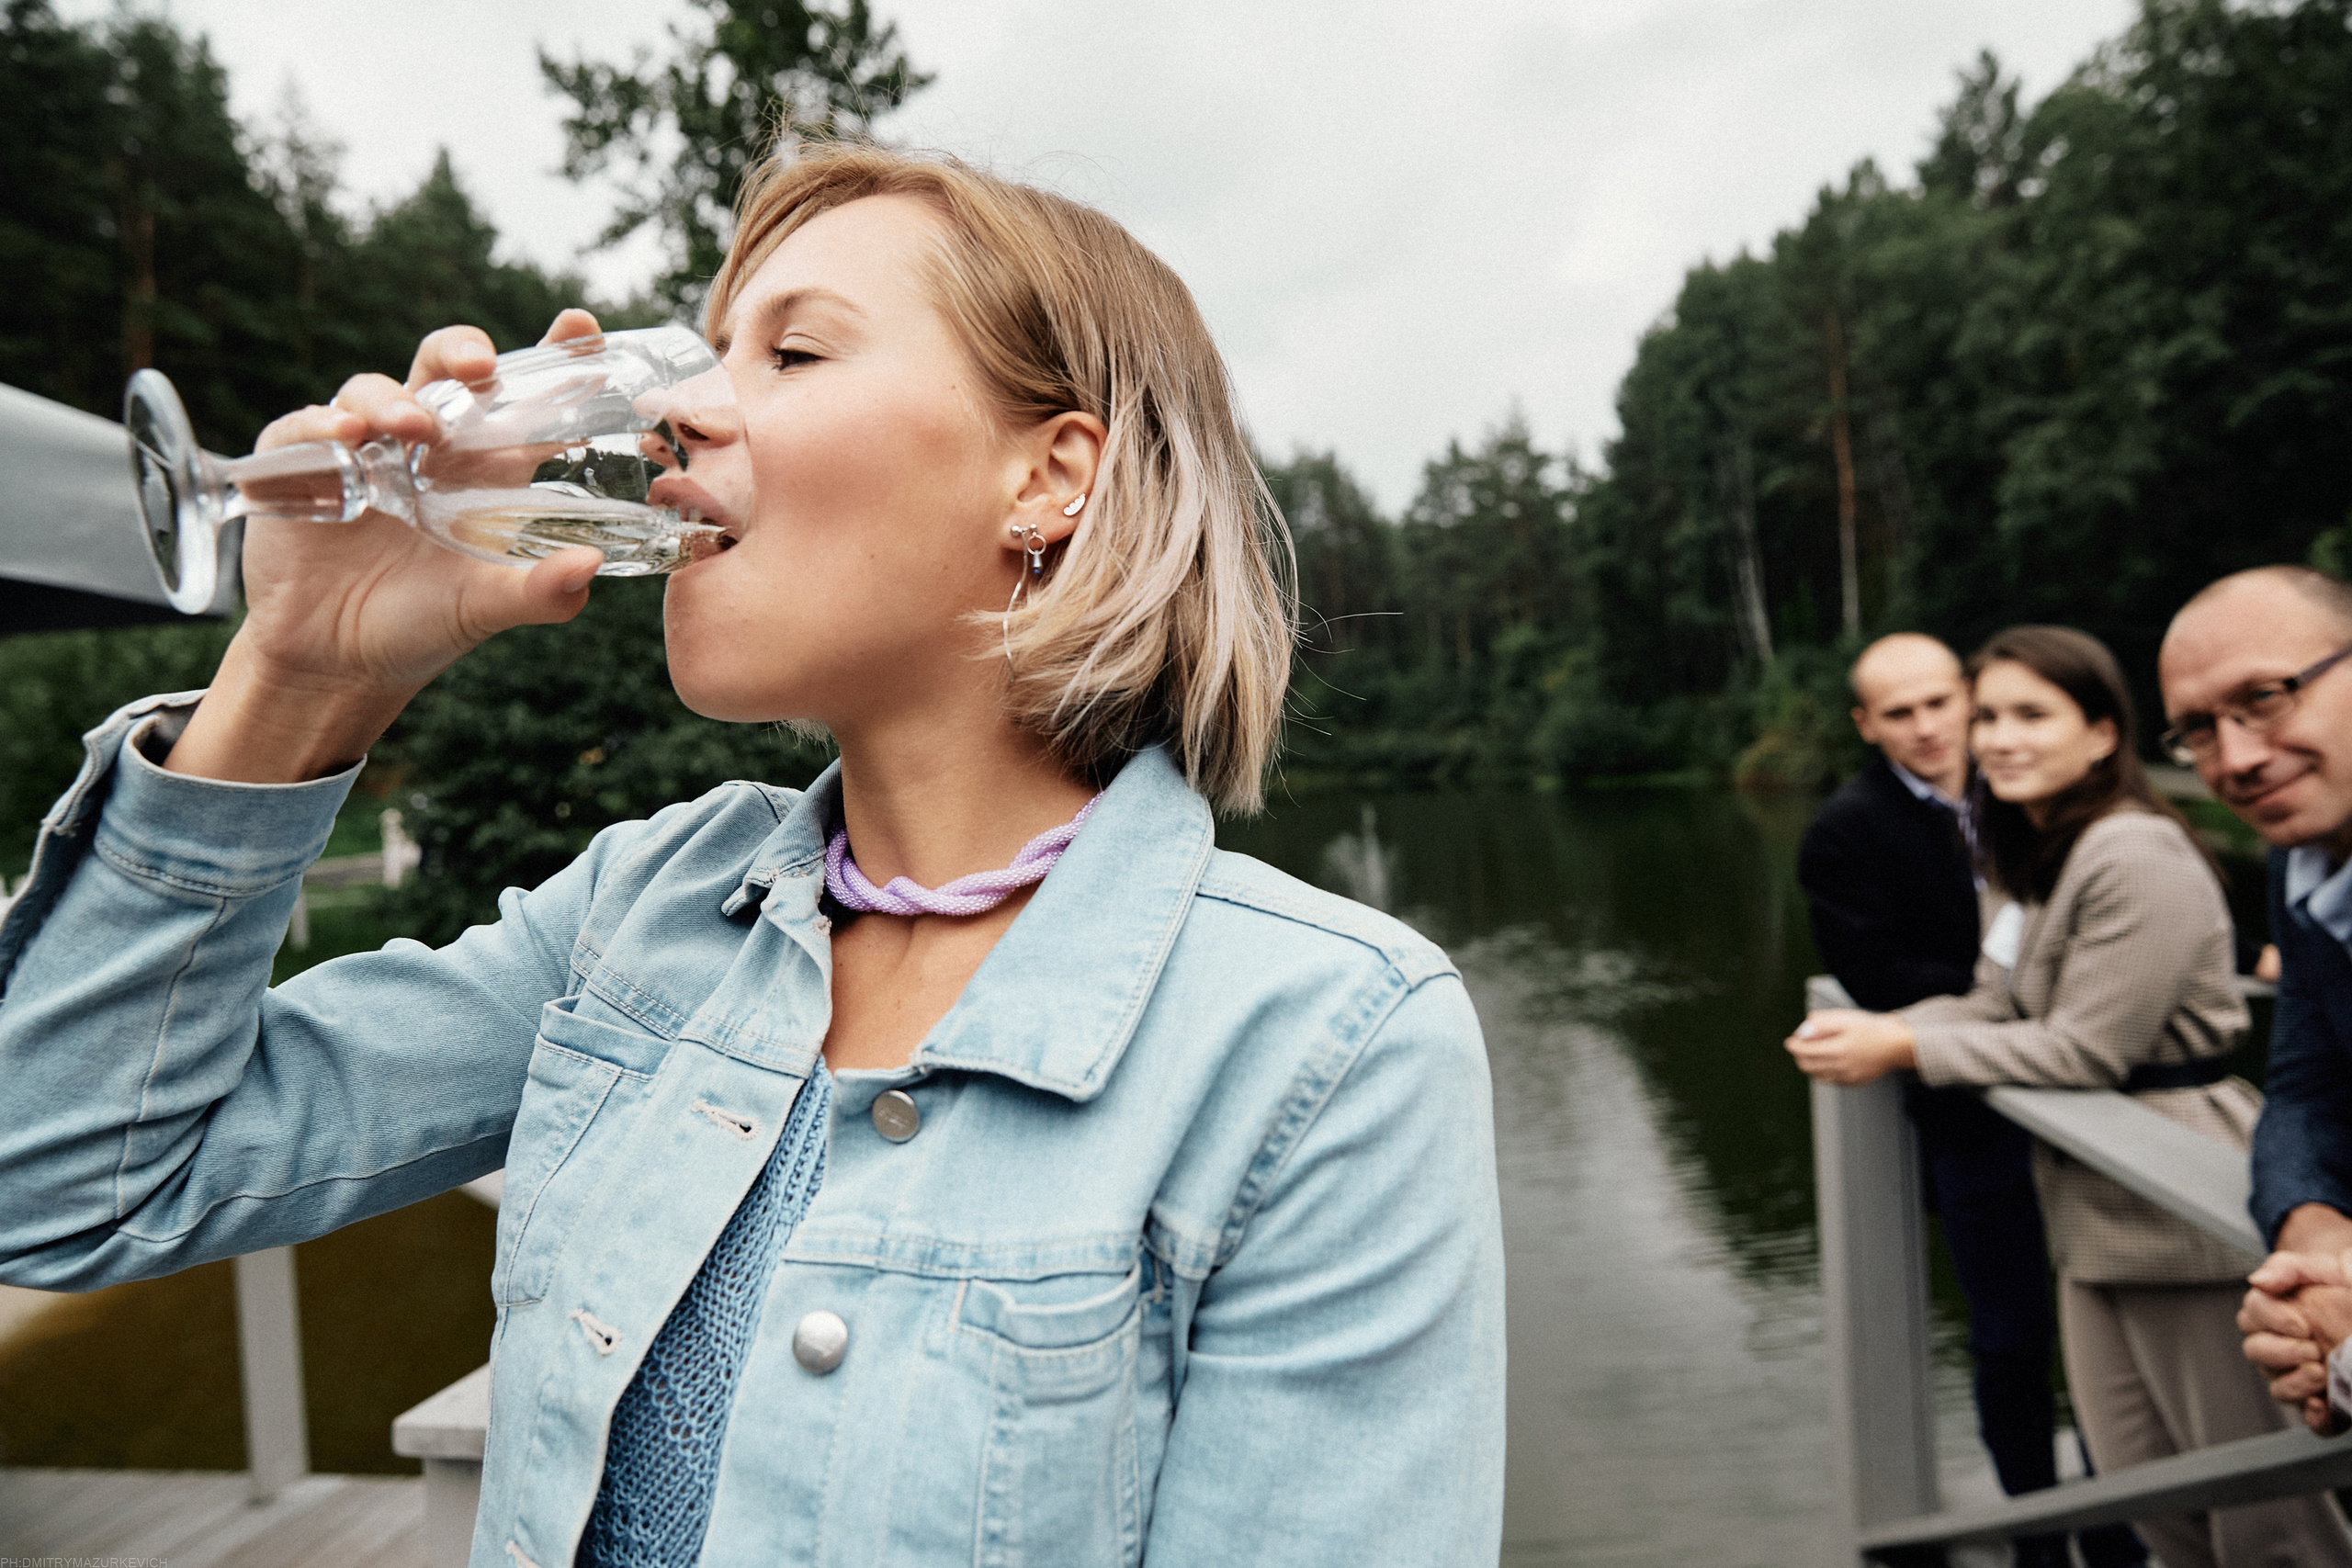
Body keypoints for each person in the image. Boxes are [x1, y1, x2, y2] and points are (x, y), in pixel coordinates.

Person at [0, 143, 1506, 1566]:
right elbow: (59, 1178)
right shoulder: (638, 919)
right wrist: (307, 673)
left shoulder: (1327, 1045)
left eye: (791, 354)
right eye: (706, 357)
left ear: (1049, 479)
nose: (679, 423)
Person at [1787, 625, 2352, 1568]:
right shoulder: (2036, 851)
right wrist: (1900, 1026)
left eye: (2030, 716)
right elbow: (1996, 998)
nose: (1998, 739)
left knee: (2262, 1525)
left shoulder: (2130, 851)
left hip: (2178, 1204)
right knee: (2155, 1506)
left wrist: (1903, 1043)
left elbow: (2086, 1045)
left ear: (2100, 734)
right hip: (2090, 1217)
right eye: (1993, 716)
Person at [1796, 634, 2142, 1568]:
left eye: (1940, 703)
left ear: (1967, 698)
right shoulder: (1844, 831)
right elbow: (1874, 975)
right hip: (1972, 1124)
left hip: (2092, 1114)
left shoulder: (2031, 790)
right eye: (1897, 713)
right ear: (1866, 725)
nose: (1927, 728)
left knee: (2107, 1332)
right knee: (2008, 1336)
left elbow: (2121, 914)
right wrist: (2034, 994)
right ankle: (2036, 1537)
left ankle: (2121, 1528)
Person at [2159, 568, 2352, 1433]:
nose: (2234, 759)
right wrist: (2311, 1236)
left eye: (2267, 697)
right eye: (2199, 729)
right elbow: (2305, 1082)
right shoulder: (2301, 860)